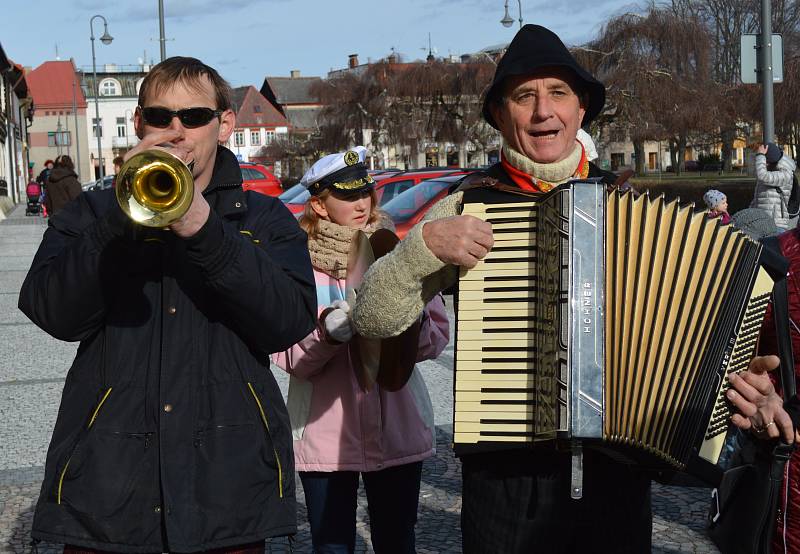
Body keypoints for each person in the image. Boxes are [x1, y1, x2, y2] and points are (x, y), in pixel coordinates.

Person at [350, 24, 653, 553]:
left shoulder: (632, 211)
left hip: (618, 469)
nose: (543, 112)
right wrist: (418, 249)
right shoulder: (468, 204)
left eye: (559, 93)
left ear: (582, 110)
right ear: (498, 115)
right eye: (524, 96)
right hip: (506, 476)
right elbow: (371, 320)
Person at [18, 56, 317, 553]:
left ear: (223, 125)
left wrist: (206, 231)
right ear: (139, 123)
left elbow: (288, 320)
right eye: (160, 117)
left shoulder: (264, 218)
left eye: (194, 117)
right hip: (107, 495)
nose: (177, 132)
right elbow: (50, 308)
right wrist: (120, 219)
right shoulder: (95, 212)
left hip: (227, 493)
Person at [272, 146, 449, 554]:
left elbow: (436, 337)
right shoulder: (295, 263)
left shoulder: (398, 254)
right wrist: (329, 335)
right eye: (347, 195)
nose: (362, 203)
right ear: (318, 203)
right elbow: (290, 359)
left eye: (365, 192)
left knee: (397, 540)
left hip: (397, 426)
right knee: (332, 545)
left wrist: (407, 320)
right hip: (324, 432)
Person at [750, 142, 798, 230]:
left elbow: (762, 176)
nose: (764, 164)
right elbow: (758, 198)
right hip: (761, 222)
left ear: (772, 161)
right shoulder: (769, 171)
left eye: (765, 161)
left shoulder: (786, 174)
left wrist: (760, 155)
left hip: (776, 223)